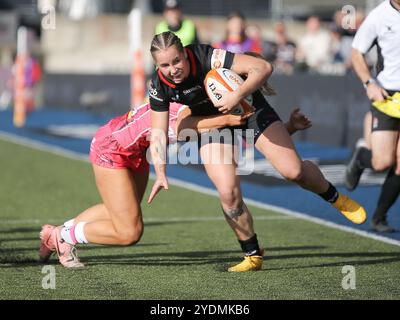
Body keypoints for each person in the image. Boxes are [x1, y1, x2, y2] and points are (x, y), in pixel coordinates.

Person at [148, 31, 367, 272]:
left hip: (246, 105)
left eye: (176, 61)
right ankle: (252, 254)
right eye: (165, 65)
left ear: (184, 53)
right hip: (214, 121)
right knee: (228, 193)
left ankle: (336, 198)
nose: (173, 69)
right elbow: (158, 133)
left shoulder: (206, 56)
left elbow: (263, 67)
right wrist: (160, 172)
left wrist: (236, 95)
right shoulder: (158, 85)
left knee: (293, 172)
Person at [38, 100, 309, 268]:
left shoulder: (209, 113)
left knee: (121, 212)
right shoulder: (190, 113)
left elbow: (254, 141)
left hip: (135, 149)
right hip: (112, 149)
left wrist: (290, 127)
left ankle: (59, 232)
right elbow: (178, 128)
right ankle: (62, 238)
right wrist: (226, 118)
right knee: (129, 232)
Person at [345, 0, 400, 232]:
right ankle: (360, 159)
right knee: (383, 162)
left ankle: (379, 217)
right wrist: (369, 83)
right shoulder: (379, 15)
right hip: (387, 96)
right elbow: (357, 52)